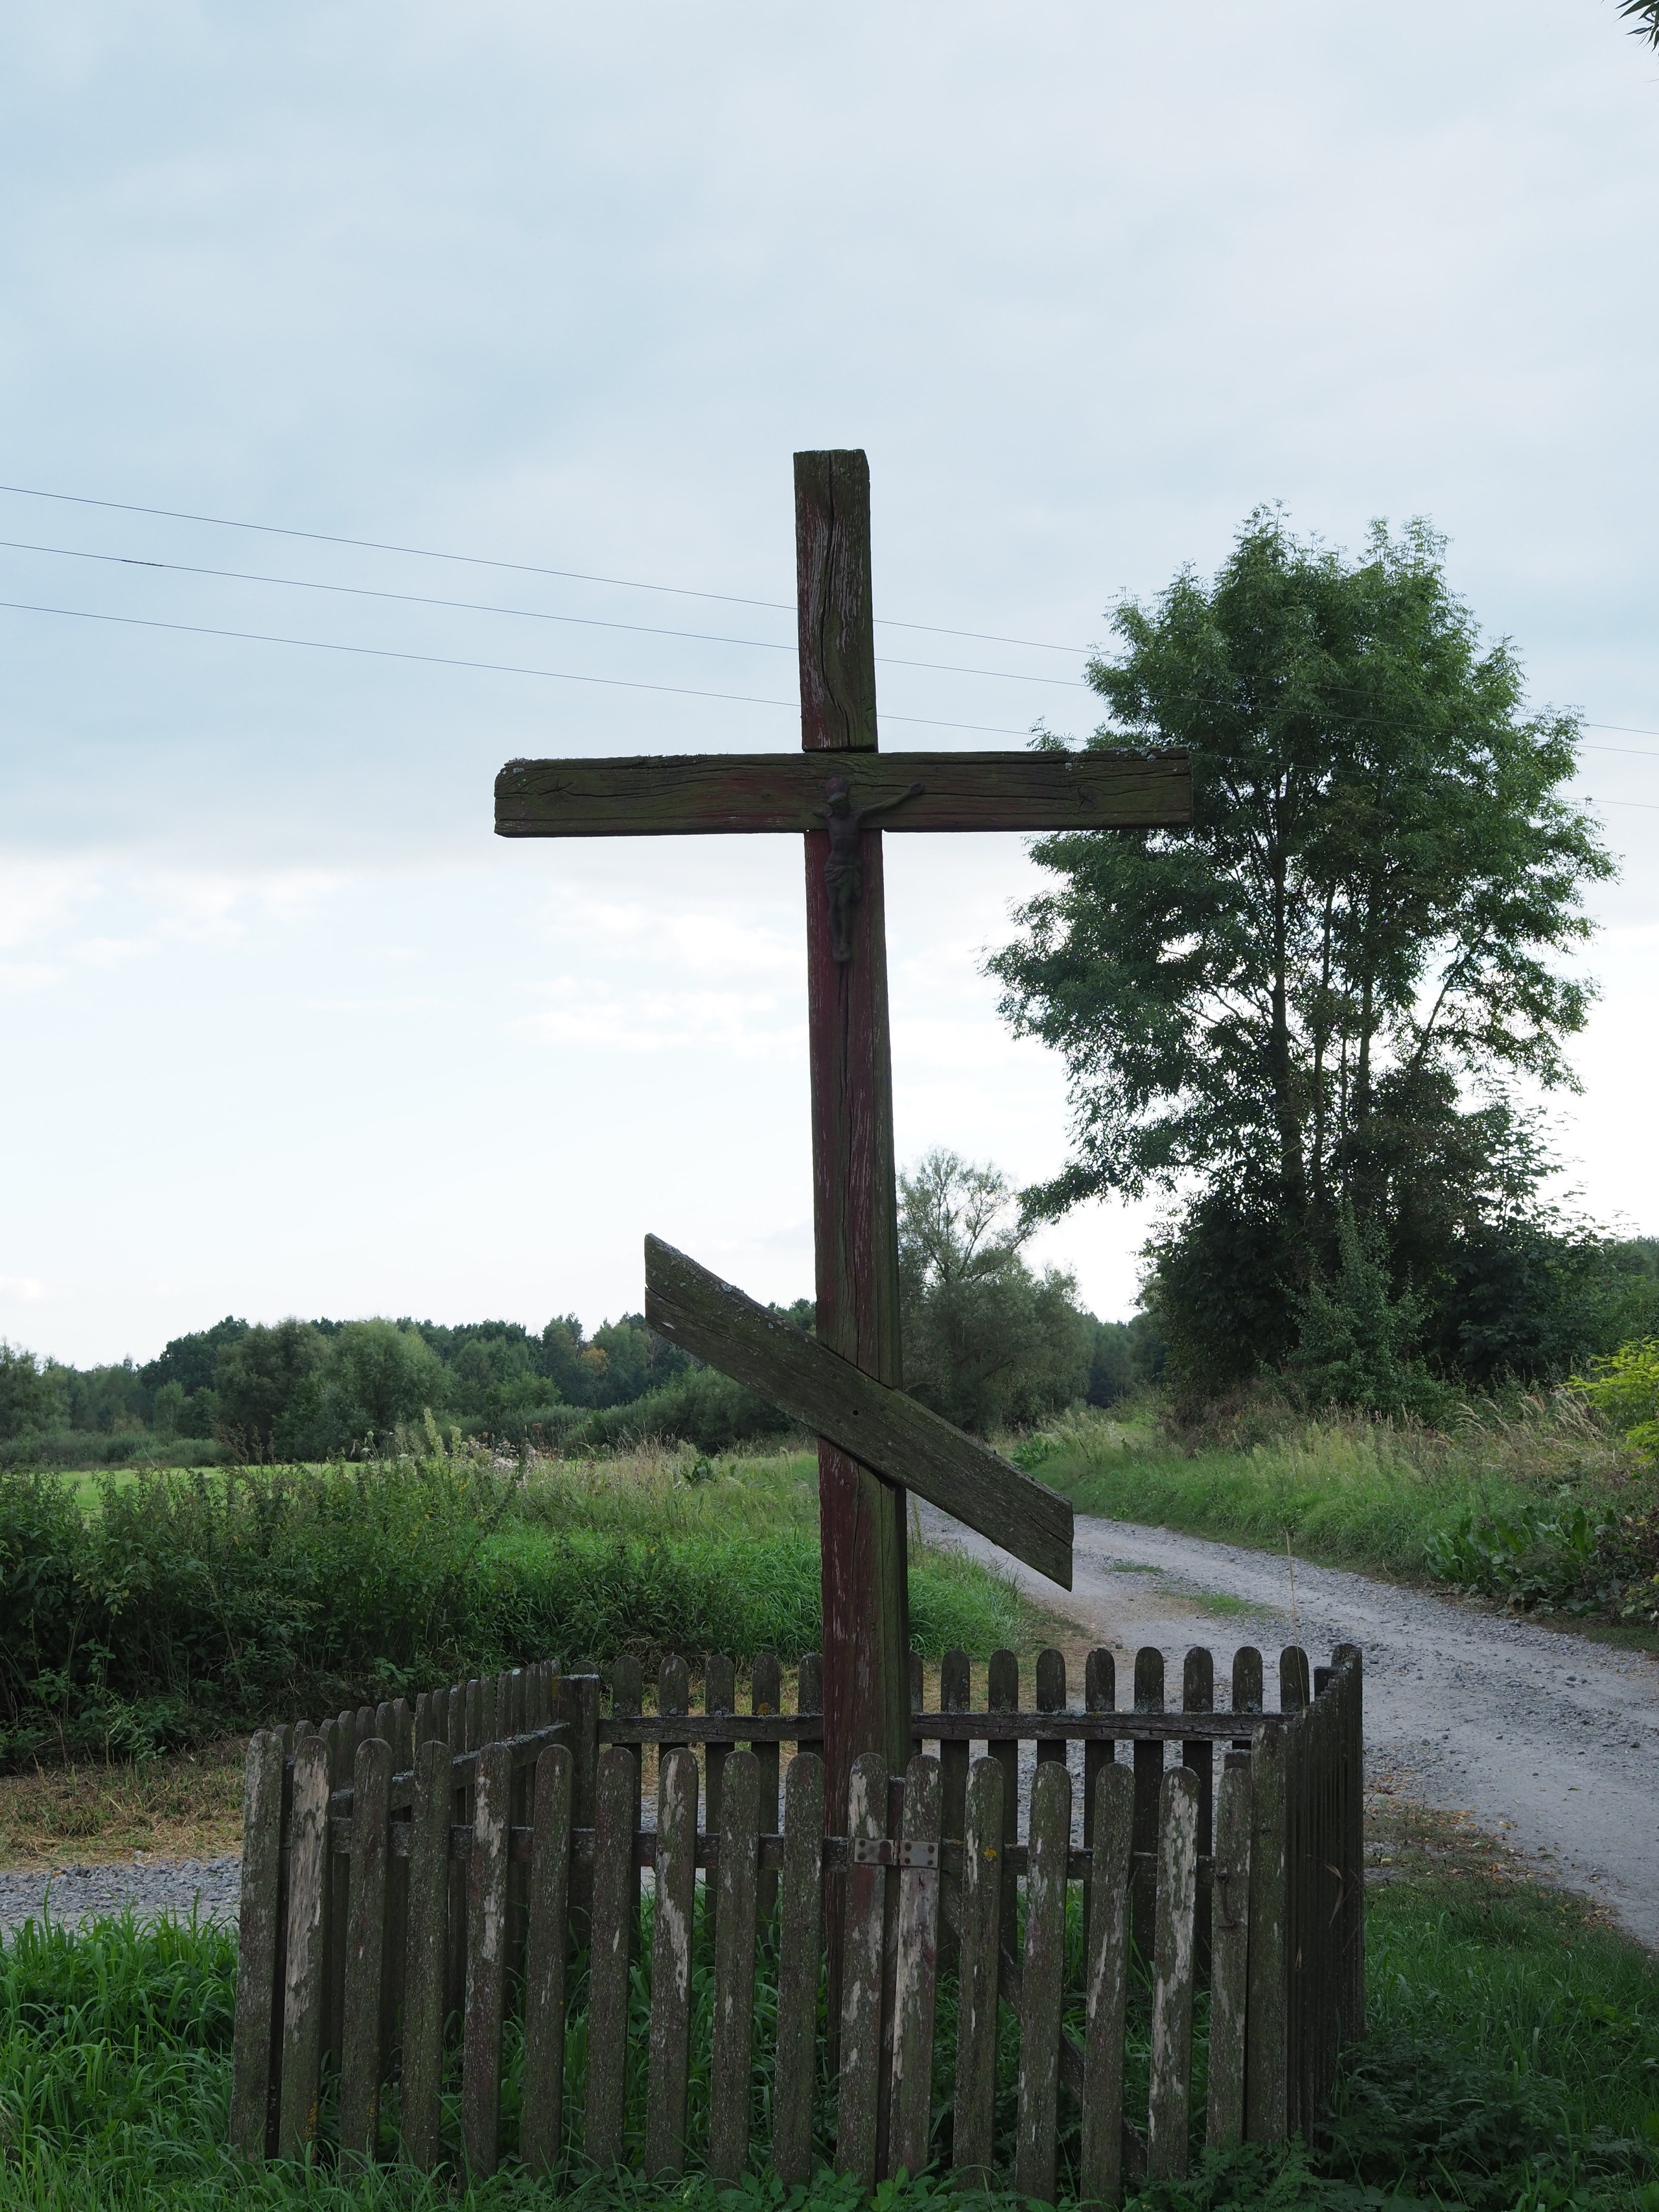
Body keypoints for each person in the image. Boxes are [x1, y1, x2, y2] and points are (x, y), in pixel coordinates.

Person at [811, 774, 925, 961]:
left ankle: (844, 943)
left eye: (844, 805)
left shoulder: (857, 817)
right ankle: (836, 942)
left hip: (848, 868)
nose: (842, 809)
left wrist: (907, 794)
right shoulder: (829, 818)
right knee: (833, 906)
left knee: (843, 905)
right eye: (838, 808)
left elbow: (883, 807)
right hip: (833, 867)